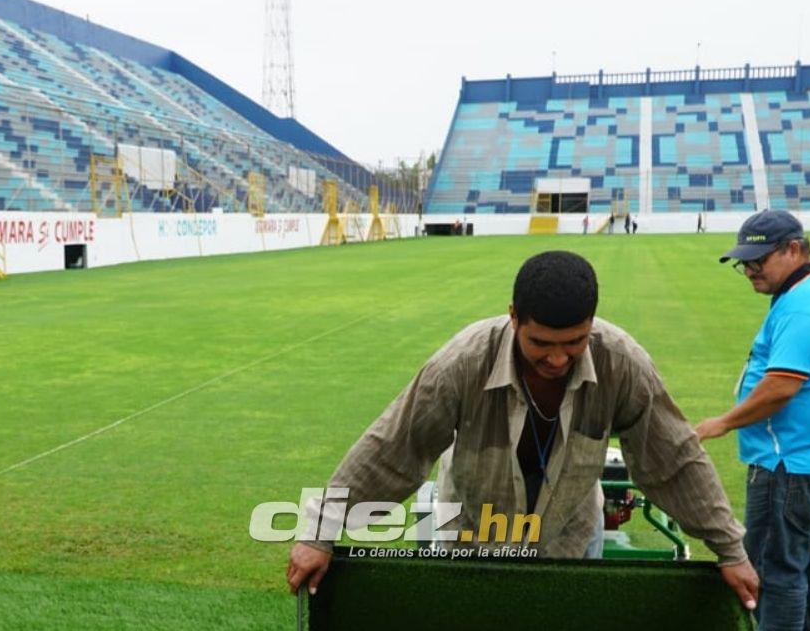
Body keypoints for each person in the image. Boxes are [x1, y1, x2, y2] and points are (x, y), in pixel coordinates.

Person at [286, 250, 759, 611]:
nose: (557, 359)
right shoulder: (462, 363)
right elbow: (395, 447)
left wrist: (729, 549)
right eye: (542, 343)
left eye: (574, 343)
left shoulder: (623, 363)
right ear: (514, 317)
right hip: (474, 532)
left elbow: (673, 460)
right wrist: (320, 532)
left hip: (571, 538)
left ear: (591, 324)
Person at [696, 210, 810, 631]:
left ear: (795, 249)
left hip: (786, 462)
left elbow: (782, 385)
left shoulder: (802, 304)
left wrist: (722, 423)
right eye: (743, 262)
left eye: (758, 259)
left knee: (775, 568)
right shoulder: (809, 293)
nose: (750, 270)